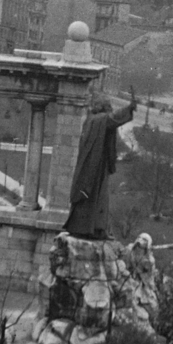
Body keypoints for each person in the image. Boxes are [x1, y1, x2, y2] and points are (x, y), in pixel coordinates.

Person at [63, 90, 137, 238]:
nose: (110, 108)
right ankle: (88, 229)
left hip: (97, 164)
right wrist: (128, 108)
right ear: (103, 107)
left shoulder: (92, 120)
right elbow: (113, 119)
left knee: (100, 198)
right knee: (94, 196)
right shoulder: (98, 120)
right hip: (94, 167)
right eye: (108, 106)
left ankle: (97, 229)